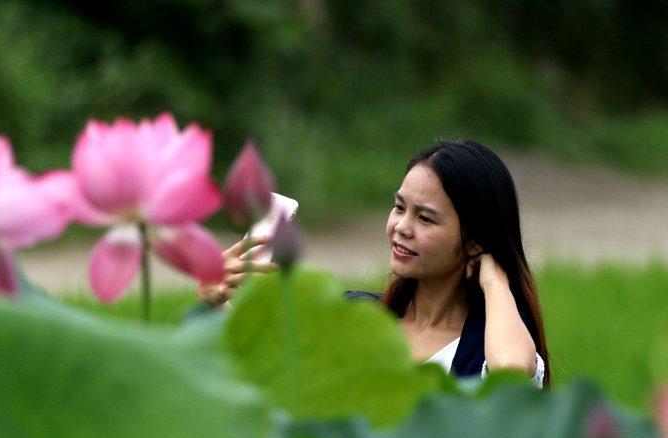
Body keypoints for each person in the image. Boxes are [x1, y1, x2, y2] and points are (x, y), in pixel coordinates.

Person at [195, 140, 550, 390]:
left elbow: (512, 376)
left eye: (425, 219)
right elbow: (269, 373)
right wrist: (215, 301)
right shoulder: (356, 317)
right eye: (399, 208)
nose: (401, 227)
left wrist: (495, 279)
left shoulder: (485, 345)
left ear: (474, 240)